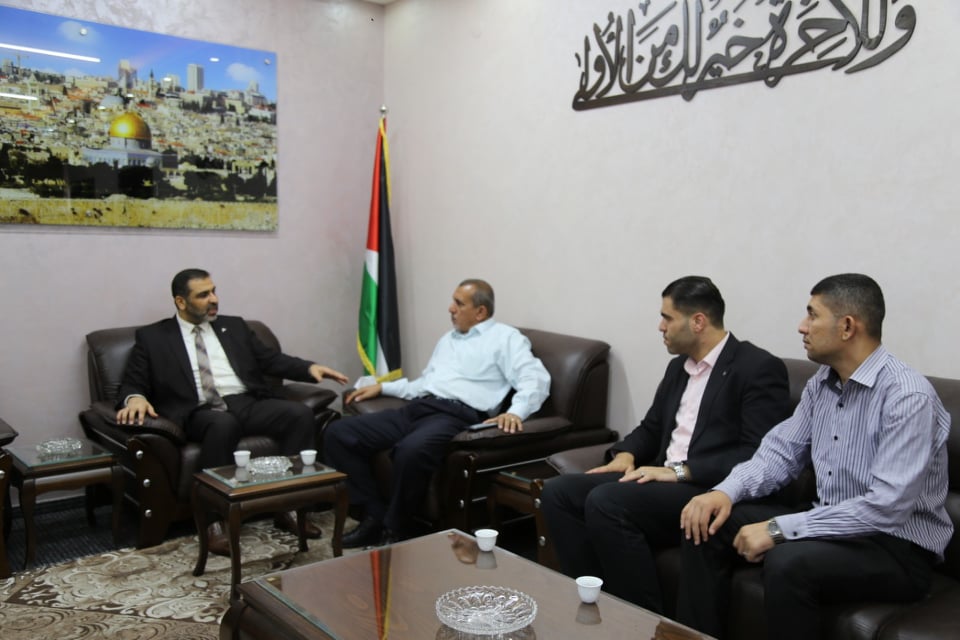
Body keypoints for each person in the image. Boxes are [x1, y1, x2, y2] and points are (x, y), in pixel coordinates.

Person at [677, 274, 952, 640]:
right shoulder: (822, 383)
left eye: (812, 314)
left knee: (787, 562)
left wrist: (777, 529)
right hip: (830, 523)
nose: (801, 326)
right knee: (706, 521)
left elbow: (886, 507)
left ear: (847, 326)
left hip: (895, 546)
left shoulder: (907, 396)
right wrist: (724, 491)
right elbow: (779, 453)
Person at [540, 276, 792, 612]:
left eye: (667, 318)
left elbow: (758, 455)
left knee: (607, 501)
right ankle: (592, 602)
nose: (661, 327)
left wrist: (680, 471)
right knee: (559, 492)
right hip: (663, 482)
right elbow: (652, 427)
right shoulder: (678, 367)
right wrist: (626, 453)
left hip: (706, 487)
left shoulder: (757, 368)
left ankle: (641, 620)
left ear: (698, 321)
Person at [116, 268, 348, 553]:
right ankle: (214, 522)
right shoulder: (154, 337)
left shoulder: (234, 326)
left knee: (298, 415)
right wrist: (135, 398)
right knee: (222, 424)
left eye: (214, 291)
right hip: (197, 409)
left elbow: (271, 360)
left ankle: (290, 508)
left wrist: (309, 368)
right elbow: (132, 381)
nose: (214, 299)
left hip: (244, 402)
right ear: (181, 302)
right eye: (203, 295)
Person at [324, 278, 551, 547]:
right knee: (339, 432)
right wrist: (383, 387)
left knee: (411, 451)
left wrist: (516, 412)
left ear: (480, 312)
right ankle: (373, 516)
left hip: (455, 415)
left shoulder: (505, 338)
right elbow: (424, 384)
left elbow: (535, 378)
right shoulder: (448, 339)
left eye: (459, 303)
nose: (450, 309)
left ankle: (395, 529)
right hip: (418, 408)